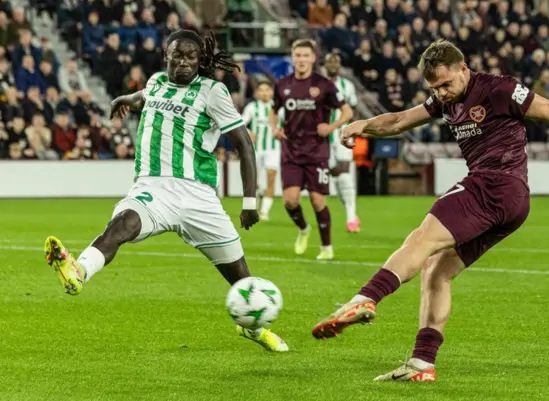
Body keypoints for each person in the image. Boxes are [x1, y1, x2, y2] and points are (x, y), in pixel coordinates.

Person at [311, 39, 549, 382]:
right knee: (437, 271)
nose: (442, 93)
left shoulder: (498, 89)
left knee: (421, 239)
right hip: (510, 204)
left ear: (463, 69)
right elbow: (399, 121)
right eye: (435, 87)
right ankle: (422, 364)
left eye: (447, 84)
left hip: (494, 185)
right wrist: (362, 124)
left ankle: (365, 298)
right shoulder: (443, 99)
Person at [43, 30, 289, 353]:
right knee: (122, 225)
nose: (184, 62)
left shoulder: (213, 92)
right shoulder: (157, 81)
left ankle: (254, 327)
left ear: (200, 60)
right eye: (178, 56)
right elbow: (144, 96)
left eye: (191, 57)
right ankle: (78, 271)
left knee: (238, 273)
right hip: (152, 187)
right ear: (166, 56)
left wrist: (249, 201)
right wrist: (125, 99)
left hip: (198, 196)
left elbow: (244, 145)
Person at [269, 39, 353, 261]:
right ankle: (304, 229)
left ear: (313, 58)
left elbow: (347, 112)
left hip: (317, 151)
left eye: (306, 55)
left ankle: (326, 247)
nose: (301, 59)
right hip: (291, 150)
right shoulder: (283, 84)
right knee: (290, 200)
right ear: (293, 57)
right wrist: (274, 128)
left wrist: (332, 126)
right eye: (297, 55)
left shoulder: (324, 85)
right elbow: (273, 110)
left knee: (317, 200)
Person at [324, 53, 360, 233]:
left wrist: (355, 128)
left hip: (344, 133)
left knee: (344, 172)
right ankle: (349, 211)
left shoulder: (348, 86)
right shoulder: (317, 84)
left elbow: (353, 109)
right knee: (336, 176)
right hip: (323, 136)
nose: (333, 64)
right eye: (330, 61)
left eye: (336, 61)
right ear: (324, 64)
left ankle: (351, 218)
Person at [242, 81, 279, 221]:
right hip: (255, 149)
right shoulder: (252, 107)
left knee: (271, 177)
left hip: (273, 148)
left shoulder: (278, 108)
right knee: (253, 182)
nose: (264, 93)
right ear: (256, 93)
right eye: (261, 90)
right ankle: (253, 206)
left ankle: (264, 212)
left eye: (267, 90)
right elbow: (240, 123)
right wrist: (249, 132)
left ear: (272, 92)